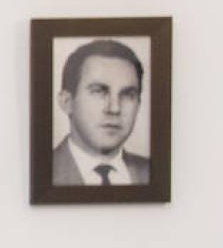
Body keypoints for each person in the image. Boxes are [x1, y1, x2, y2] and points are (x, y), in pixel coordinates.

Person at [51, 39, 150, 185]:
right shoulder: (42, 174)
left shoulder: (152, 173)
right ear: (67, 102)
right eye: (98, 91)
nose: (114, 109)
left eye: (128, 94)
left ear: (138, 104)